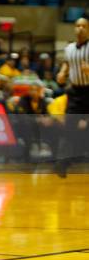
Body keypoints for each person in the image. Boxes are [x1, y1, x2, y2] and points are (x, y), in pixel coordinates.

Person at [55, 16, 89, 176]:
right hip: (75, 92)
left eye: (83, 26)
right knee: (69, 128)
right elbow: (66, 64)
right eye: (78, 25)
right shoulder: (69, 49)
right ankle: (62, 162)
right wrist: (62, 73)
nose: (80, 28)